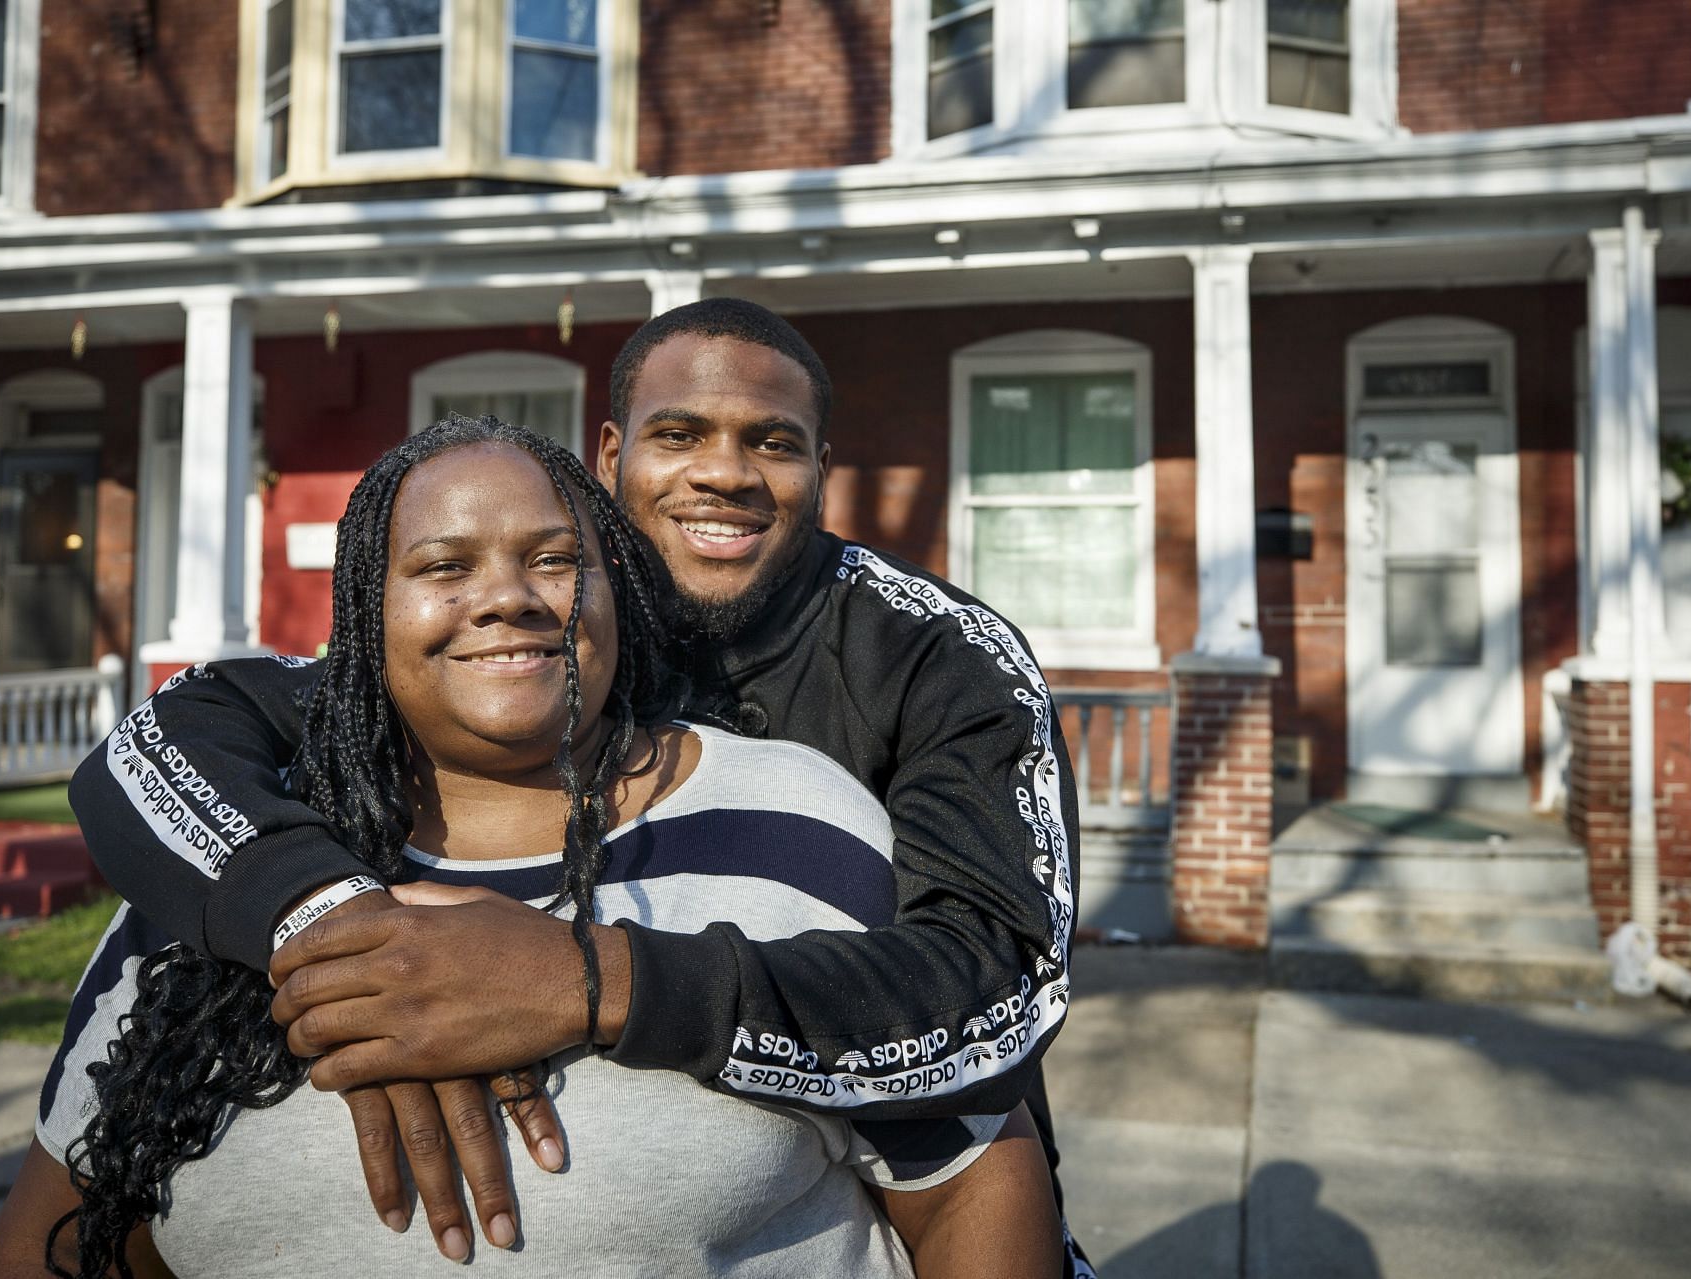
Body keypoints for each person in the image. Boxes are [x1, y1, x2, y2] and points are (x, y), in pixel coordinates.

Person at [67, 300, 1093, 1275]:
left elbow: (999, 987)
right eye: (680, 433)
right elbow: (172, 741)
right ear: (613, 455)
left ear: (823, 466)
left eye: (773, 442)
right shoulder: (542, 626)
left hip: (934, 1188)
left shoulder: (942, 659)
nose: (724, 473)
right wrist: (348, 937)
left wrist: (587, 981)